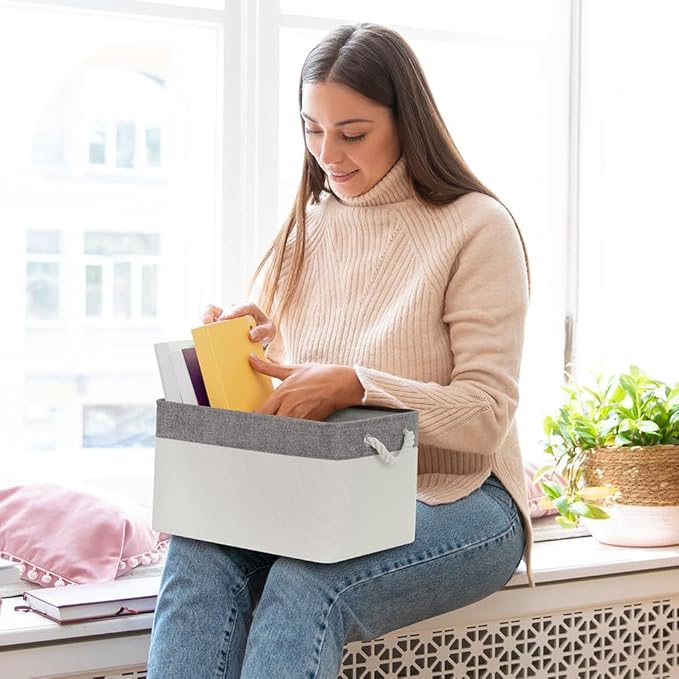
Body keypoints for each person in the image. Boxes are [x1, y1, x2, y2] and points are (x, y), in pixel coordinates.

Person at [147, 22, 531, 679]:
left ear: (406, 121)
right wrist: (253, 347)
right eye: (312, 129)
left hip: (462, 496)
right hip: (329, 491)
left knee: (307, 580)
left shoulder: (476, 226)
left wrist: (356, 384)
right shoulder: (306, 228)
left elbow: (485, 415)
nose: (328, 153)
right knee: (198, 549)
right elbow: (300, 395)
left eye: (352, 133)